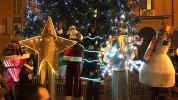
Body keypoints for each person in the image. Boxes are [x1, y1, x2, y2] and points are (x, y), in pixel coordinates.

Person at [139, 25, 175, 100]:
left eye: (161, 33)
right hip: (155, 60)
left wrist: (167, 39)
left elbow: (165, 44)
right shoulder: (155, 40)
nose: (159, 34)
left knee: (158, 80)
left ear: (164, 33)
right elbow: (149, 42)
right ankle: (155, 95)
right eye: (159, 32)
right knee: (154, 82)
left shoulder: (164, 41)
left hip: (161, 60)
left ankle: (160, 96)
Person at [58, 22, 83, 100]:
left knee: (77, 78)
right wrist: (59, 28)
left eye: (73, 28)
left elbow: (82, 38)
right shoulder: (67, 35)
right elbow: (61, 35)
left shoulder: (78, 35)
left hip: (76, 59)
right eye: (71, 29)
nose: (72, 30)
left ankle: (78, 95)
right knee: (68, 78)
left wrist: (80, 36)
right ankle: (68, 96)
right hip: (69, 59)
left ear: (75, 29)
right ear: (69, 29)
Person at [80, 24, 102, 100]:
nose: (92, 29)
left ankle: (96, 98)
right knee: (89, 82)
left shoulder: (97, 38)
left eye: (93, 28)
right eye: (91, 28)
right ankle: (88, 98)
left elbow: (100, 45)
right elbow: (83, 43)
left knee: (96, 81)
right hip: (89, 62)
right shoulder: (87, 37)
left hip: (95, 61)